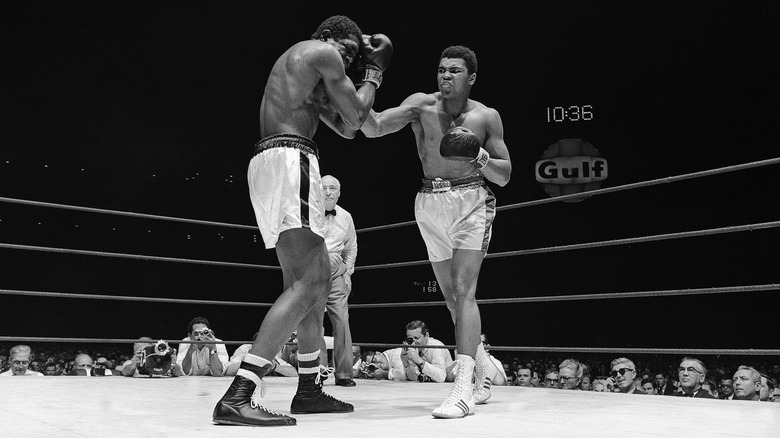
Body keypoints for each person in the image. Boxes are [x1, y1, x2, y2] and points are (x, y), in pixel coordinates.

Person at [211, 15, 392, 428]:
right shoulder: (321, 52)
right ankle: (239, 394)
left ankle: (309, 389)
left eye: (352, 58)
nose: (345, 60)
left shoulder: (308, 78)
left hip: (274, 162)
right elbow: (362, 112)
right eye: (346, 50)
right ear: (328, 38)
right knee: (309, 283)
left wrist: (362, 84)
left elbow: (350, 129)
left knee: (316, 278)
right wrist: (376, 73)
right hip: (292, 160)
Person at [360, 44, 511, 418]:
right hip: (429, 202)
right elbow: (374, 126)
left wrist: (477, 155)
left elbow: (505, 174)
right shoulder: (421, 106)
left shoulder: (486, 117)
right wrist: (360, 88)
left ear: (471, 77)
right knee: (450, 299)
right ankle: (481, 372)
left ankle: (462, 391)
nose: (446, 76)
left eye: (455, 71)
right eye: (442, 69)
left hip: (472, 200)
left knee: (464, 292)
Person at [317, 174, 358, 387]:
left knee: (342, 320)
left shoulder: (346, 217)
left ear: (339, 192)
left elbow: (351, 248)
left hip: (336, 273)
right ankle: (319, 371)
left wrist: (347, 273)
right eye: (324, 188)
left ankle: (344, 373)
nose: (328, 192)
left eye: (332, 188)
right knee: (314, 322)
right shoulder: (309, 212)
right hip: (313, 271)